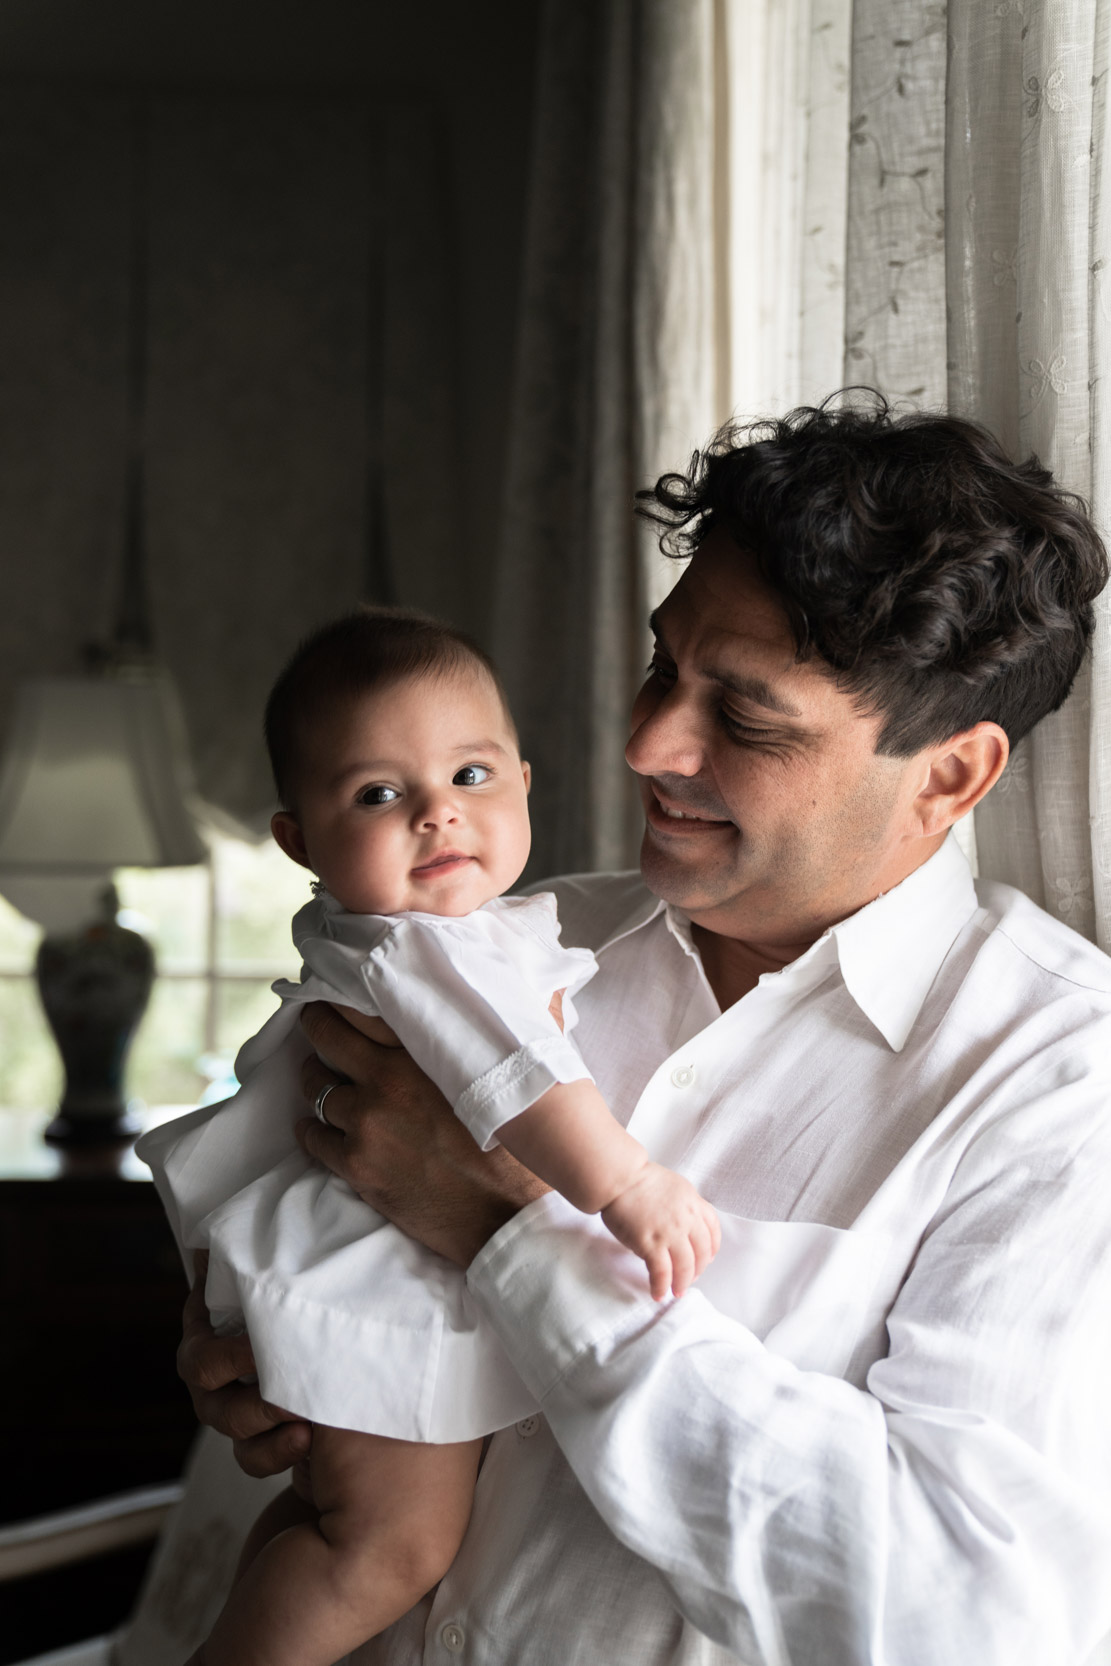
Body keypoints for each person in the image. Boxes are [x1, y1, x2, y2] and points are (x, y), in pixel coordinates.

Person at [178, 396, 1111, 1666]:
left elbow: (949, 1619)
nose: (644, 743)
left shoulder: (1057, 1084)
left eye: (746, 718)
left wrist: (511, 1233)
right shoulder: (499, 943)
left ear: (947, 775)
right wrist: (249, 1328)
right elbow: (276, 1156)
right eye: (662, 669)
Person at [139, 610, 718, 1666]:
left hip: (335, 1256)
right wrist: (625, 1183)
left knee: (336, 1527)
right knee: (390, 1550)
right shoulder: (431, 952)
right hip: (376, 1276)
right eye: (378, 793)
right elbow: (517, 1079)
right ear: (299, 840)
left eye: (471, 775)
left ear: (527, 782)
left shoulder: (445, 930)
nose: (437, 816)